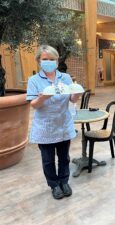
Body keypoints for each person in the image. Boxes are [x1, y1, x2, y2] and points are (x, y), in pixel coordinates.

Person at [26, 45, 81, 200]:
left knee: (64, 158)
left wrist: (76, 94)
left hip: (63, 124)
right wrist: (43, 97)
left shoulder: (66, 78)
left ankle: (64, 182)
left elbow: (72, 99)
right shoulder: (34, 80)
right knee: (48, 160)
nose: (49, 62)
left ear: (57, 61)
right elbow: (33, 104)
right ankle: (54, 185)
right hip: (45, 127)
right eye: (45, 59)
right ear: (39, 61)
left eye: (52, 59)